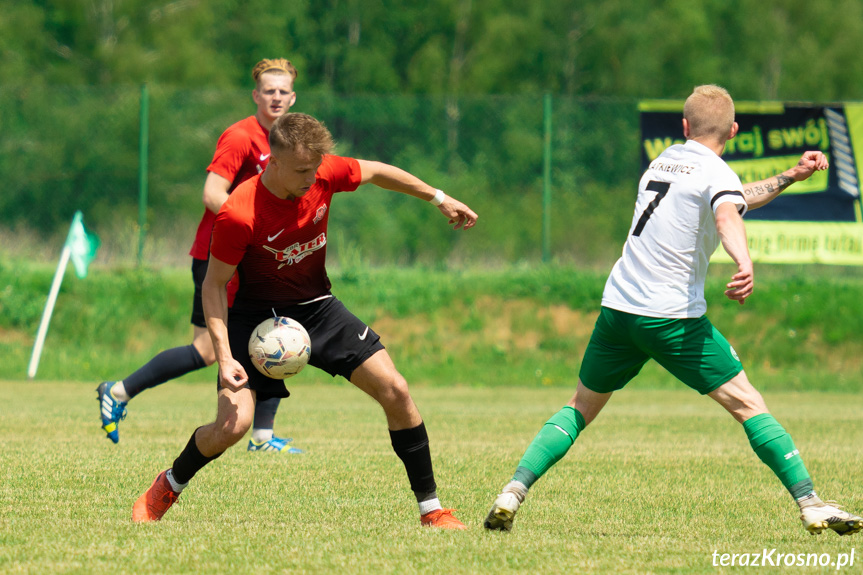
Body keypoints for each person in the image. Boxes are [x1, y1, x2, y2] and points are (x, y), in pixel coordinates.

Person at [484, 85, 863, 537]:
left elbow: (735, 195)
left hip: (619, 309)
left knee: (580, 406)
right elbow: (727, 215)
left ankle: (512, 491)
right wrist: (744, 260)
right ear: (735, 131)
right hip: (671, 319)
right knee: (748, 404)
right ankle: (811, 503)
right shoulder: (715, 172)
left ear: (685, 127)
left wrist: (788, 176)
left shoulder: (663, 161)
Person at [131, 112, 478, 529]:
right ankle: (168, 484)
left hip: (316, 307)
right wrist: (224, 357)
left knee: (396, 389)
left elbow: (379, 172)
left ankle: (432, 510)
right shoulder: (240, 213)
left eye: (315, 168)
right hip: (251, 317)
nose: (312, 178)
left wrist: (439, 198)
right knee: (232, 425)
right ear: (272, 162)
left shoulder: (321, 170)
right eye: (300, 170)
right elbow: (213, 285)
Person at [97, 59, 302, 453]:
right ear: (256, 95)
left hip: (256, 255)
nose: (276, 98)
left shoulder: (287, 139)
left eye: (283, 92)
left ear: (293, 97)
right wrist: (253, 230)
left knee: (276, 328)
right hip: (220, 255)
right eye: (268, 91)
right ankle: (120, 391)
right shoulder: (241, 136)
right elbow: (212, 193)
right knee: (214, 348)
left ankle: (260, 435)